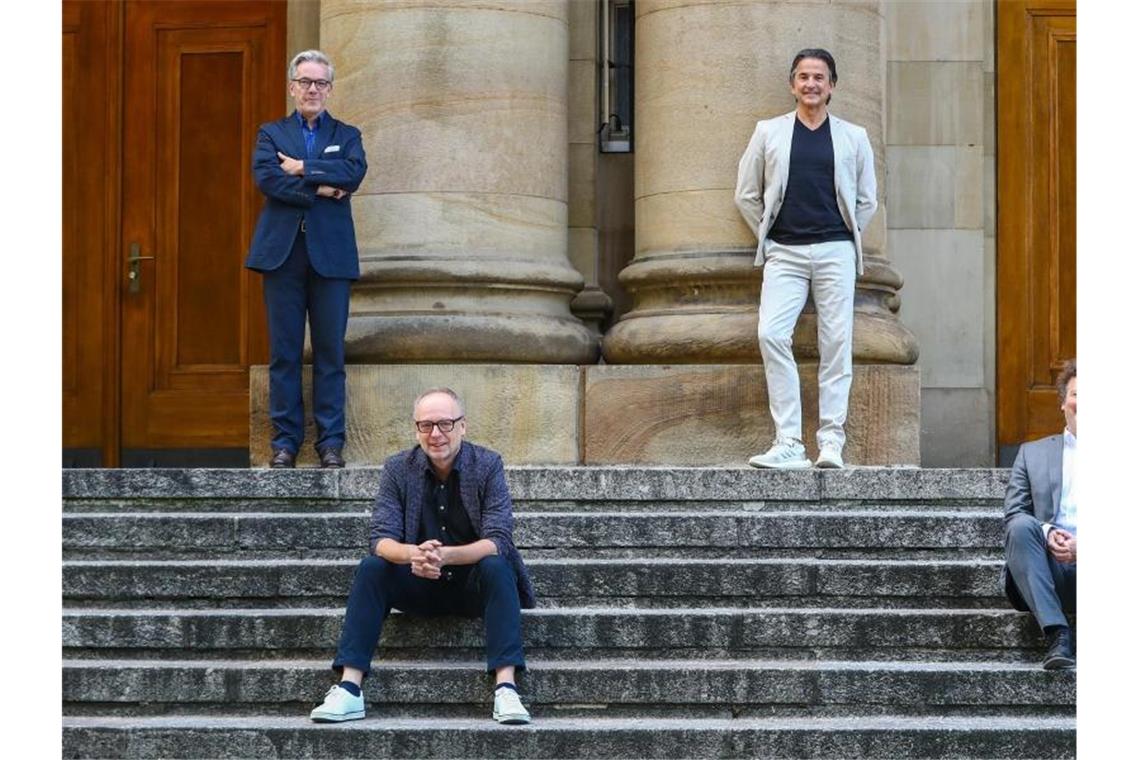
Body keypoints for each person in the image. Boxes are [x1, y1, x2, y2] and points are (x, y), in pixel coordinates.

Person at [310, 388, 535, 724]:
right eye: (426, 425)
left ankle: (506, 688)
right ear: (416, 429)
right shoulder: (398, 468)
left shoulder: (487, 465)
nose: (436, 434)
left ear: (463, 426)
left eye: (445, 424)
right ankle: (349, 688)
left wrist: (445, 556)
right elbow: (380, 540)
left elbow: (498, 539)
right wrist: (414, 554)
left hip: (473, 588)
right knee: (372, 567)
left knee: (497, 565)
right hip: (418, 583)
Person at [734, 48, 878, 470]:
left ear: (832, 85)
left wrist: (844, 236)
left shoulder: (855, 137)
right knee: (771, 334)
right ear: (792, 84)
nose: (811, 84)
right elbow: (746, 193)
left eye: (819, 77)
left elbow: (866, 199)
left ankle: (831, 441)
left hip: (836, 250)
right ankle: (790, 442)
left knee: (836, 345)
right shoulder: (768, 132)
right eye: (803, 76)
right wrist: (768, 231)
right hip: (784, 251)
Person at [246, 50, 368, 469]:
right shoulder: (271, 133)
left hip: (331, 257)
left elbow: (353, 173)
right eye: (304, 82)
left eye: (320, 83)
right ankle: (285, 442)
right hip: (283, 256)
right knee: (285, 353)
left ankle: (330, 443)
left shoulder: (347, 133)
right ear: (292, 86)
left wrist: (301, 166)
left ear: (330, 89)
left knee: (331, 352)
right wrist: (321, 185)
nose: (312, 89)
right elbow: (267, 178)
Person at [1002, 359, 1077, 669]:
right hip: (1048, 573)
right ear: (1063, 403)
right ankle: (1058, 634)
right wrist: (1047, 535)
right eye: (1077, 394)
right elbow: (1014, 513)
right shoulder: (1031, 454)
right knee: (1020, 526)